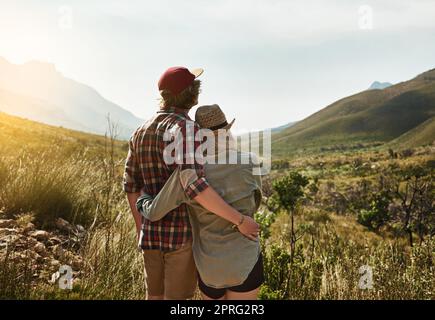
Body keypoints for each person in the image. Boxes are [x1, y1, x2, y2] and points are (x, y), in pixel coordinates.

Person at [123, 67, 259, 300]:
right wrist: (240, 220)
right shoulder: (187, 129)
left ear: (164, 95)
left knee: (154, 297)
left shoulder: (140, 131)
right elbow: (193, 185)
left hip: (150, 235)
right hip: (181, 237)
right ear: (193, 95)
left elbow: (131, 185)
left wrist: (141, 228)